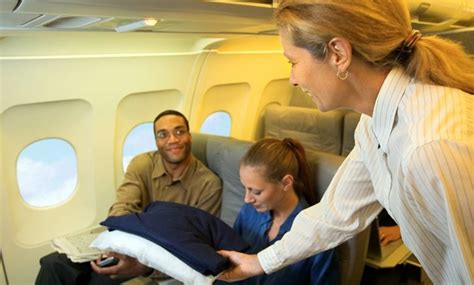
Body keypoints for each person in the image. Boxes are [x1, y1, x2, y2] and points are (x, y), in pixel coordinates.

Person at [217, 1, 474, 284]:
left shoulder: (430, 148)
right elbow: (336, 213)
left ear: (338, 53)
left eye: (293, 62)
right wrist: (258, 263)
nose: (292, 79)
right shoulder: (373, 122)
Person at [36, 110, 223, 285]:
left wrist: (143, 265)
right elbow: (123, 206)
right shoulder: (143, 164)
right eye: (163, 134)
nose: (172, 140)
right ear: (156, 141)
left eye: (179, 132)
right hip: (127, 242)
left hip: (160, 256)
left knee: (95, 280)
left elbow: (197, 246)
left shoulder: (209, 185)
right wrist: (118, 244)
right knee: (53, 264)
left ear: (189, 136)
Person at [219, 138, 339, 284]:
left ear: (286, 183)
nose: (247, 199)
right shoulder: (248, 212)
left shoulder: (317, 233)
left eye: (256, 191)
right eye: (245, 188)